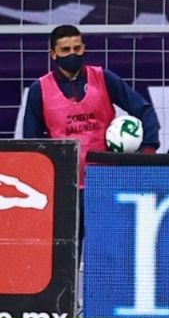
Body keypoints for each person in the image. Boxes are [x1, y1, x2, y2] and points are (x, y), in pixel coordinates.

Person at [22, 25, 160, 245]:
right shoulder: (39, 89)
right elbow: (31, 142)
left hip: (105, 181)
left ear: (84, 48)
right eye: (65, 49)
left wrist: (149, 148)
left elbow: (143, 110)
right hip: (65, 186)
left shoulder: (103, 78)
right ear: (53, 54)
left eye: (77, 48)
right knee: (65, 254)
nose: (73, 54)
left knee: (107, 253)